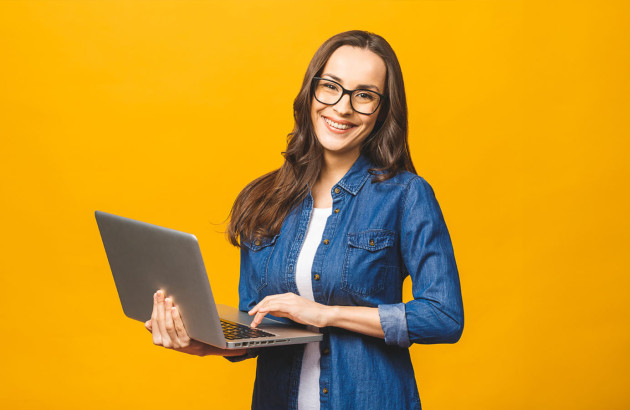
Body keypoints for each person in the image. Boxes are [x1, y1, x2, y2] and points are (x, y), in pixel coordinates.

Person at [145, 30, 464, 410]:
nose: (343, 107)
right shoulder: (264, 199)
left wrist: (326, 314)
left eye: (364, 95)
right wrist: (204, 343)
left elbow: (443, 316)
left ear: (382, 110)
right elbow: (258, 325)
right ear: (310, 93)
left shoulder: (406, 195)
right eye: (331, 87)